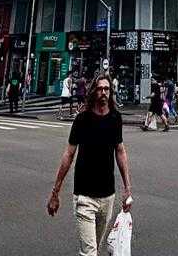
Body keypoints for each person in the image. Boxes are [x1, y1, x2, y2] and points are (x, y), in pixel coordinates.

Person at [47, 74, 132, 256]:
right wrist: (55, 192)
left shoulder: (115, 118)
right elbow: (68, 155)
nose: (103, 93)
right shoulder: (82, 119)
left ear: (110, 92)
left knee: (94, 247)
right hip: (84, 196)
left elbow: (120, 151)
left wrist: (127, 188)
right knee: (90, 253)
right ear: (94, 91)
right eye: (100, 89)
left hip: (107, 197)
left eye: (106, 89)